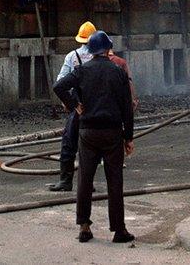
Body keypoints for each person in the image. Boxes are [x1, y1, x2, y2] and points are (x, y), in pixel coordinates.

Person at [53, 30, 135, 245]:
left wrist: (74, 105)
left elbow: (59, 86)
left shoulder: (81, 71)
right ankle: (119, 230)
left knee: (85, 179)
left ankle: (84, 227)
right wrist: (129, 137)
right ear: (108, 49)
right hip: (112, 132)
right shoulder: (118, 72)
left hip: (87, 132)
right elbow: (127, 107)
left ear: (90, 50)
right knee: (115, 181)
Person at [49, 20, 96, 191]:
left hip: (79, 106)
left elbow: (60, 82)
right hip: (97, 105)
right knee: (91, 145)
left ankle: (65, 181)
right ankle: (88, 183)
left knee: (69, 142)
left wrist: (71, 103)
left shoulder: (72, 56)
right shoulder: (101, 56)